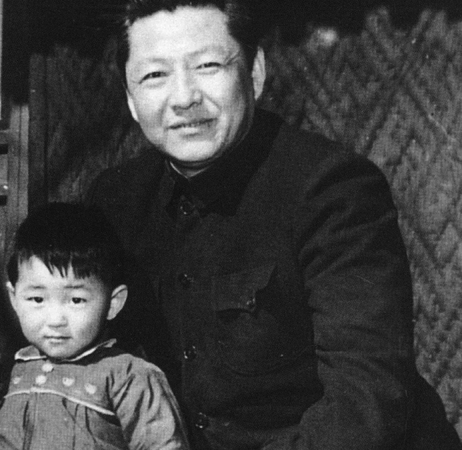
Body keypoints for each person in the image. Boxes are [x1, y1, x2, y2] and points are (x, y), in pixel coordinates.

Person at [87, 0, 462, 449]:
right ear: (131, 99)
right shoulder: (115, 200)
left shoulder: (331, 188)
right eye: (155, 75)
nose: (184, 98)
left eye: (207, 66)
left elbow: (365, 400)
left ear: (255, 73)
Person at [0, 202, 191, 449]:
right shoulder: (18, 369)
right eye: (37, 299)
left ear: (113, 303)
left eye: (76, 300)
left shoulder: (129, 376)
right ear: (14, 299)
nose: (55, 320)